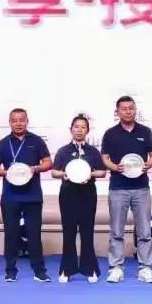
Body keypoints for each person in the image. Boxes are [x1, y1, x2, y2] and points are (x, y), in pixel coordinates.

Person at [100, 95, 152, 284]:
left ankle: (145, 268)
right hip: (118, 188)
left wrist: (149, 164)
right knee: (116, 231)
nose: (128, 111)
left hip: (141, 188)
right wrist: (113, 167)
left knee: (144, 231)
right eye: (124, 108)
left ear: (135, 110)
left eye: (131, 108)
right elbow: (105, 158)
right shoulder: (110, 133)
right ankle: (116, 268)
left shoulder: (145, 132)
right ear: (117, 112)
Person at [0, 108, 52, 282]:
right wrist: (7, 173)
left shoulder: (36, 141)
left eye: (22, 120)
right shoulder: (4, 143)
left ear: (27, 121)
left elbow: (48, 162)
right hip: (10, 196)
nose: (18, 123)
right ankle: (11, 270)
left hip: (33, 196)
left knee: (34, 234)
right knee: (11, 234)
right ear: (10, 123)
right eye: (14, 120)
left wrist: (36, 168)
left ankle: (39, 271)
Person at [50, 114, 107, 283]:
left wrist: (90, 174)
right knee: (69, 232)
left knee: (87, 232)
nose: (79, 130)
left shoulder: (93, 151)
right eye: (76, 127)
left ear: (87, 130)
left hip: (87, 194)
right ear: (71, 129)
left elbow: (102, 172)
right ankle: (66, 270)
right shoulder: (63, 151)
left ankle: (90, 269)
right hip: (68, 194)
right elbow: (54, 172)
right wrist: (64, 174)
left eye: (83, 127)